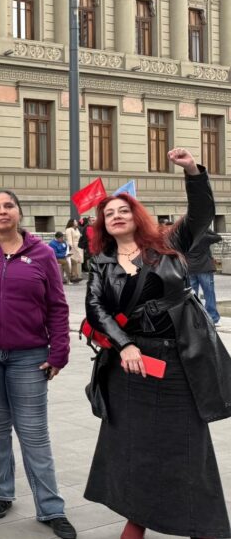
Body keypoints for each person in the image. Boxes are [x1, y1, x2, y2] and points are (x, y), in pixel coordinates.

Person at [84, 148, 231, 539]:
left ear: (136, 216)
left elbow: (201, 212)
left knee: (187, 448)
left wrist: (193, 171)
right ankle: (137, 521)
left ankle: (205, 524)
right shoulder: (101, 262)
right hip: (132, 367)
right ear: (103, 225)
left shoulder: (168, 243)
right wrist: (125, 345)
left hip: (181, 360)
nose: (116, 216)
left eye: (123, 211)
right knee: (134, 449)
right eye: (108, 214)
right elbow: (95, 308)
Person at [0, 190, 76, 539]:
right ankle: (1, 492)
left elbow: (57, 305)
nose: (2, 211)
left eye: (8, 206)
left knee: (34, 433)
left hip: (29, 356)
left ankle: (51, 508)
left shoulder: (41, 253)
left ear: (20, 212)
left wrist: (59, 352)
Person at [187, 227, 222, 326]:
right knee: (209, 293)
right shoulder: (203, 236)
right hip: (204, 268)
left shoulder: (185, 237)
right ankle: (213, 317)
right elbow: (218, 237)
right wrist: (206, 228)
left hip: (190, 268)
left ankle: (194, 318)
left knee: (192, 295)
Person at [63, 219, 83, 284]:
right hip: (73, 246)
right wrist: (72, 248)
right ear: (72, 223)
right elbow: (69, 240)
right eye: (75, 221)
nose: (77, 222)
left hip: (79, 246)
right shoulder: (69, 230)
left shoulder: (77, 229)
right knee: (72, 261)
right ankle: (72, 276)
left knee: (77, 261)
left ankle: (76, 276)